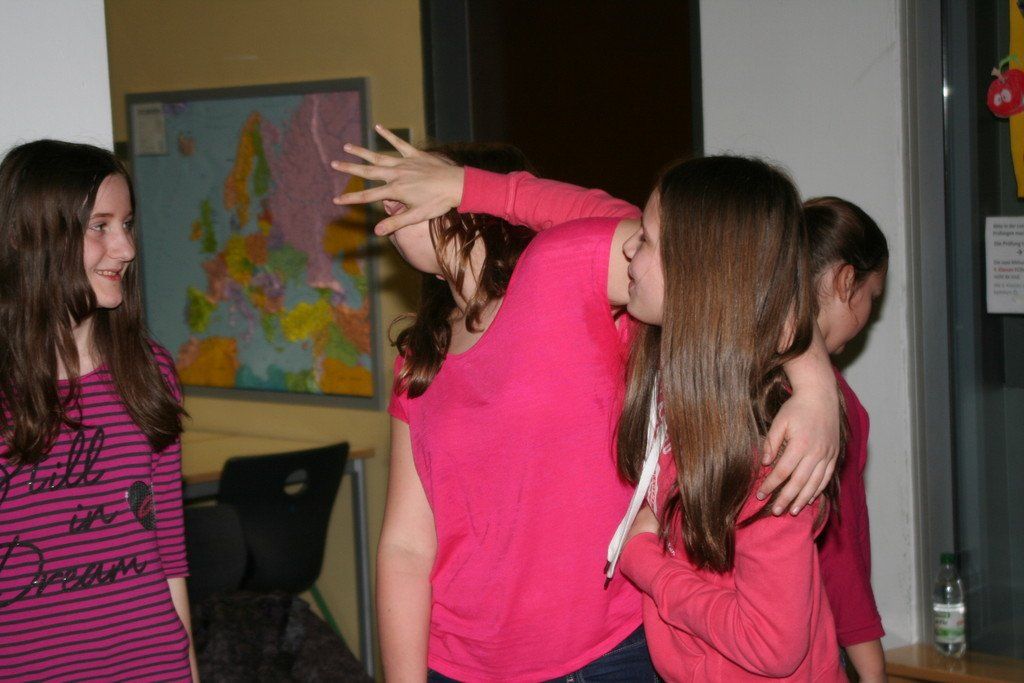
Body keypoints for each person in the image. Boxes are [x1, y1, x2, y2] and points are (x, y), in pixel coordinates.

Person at [333, 127, 841, 681]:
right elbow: (406, 546)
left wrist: (816, 386)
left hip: (608, 656)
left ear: (470, 208)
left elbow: (724, 271)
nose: (391, 193)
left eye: (413, 177)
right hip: (460, 663)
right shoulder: (420, 357)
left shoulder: (559, 269)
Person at [617, 157, 848, 681]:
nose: (628, 247)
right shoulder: (689, 397)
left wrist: (645, 561)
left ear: (699, 274)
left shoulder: (771, 455)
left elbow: (772, 645)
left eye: (647, 239)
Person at [0, 140, 197, 681]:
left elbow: (169, 558)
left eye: (127, 225)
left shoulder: (149, 371)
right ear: (27, 236)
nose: (126, 248)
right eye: (100, 226)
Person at [806, 196, 889, 682]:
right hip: (814, 644)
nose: (868, 318)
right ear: (844, 281)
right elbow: (837, 549)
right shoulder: (829, 404)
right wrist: (871, 665)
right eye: (871, 297)